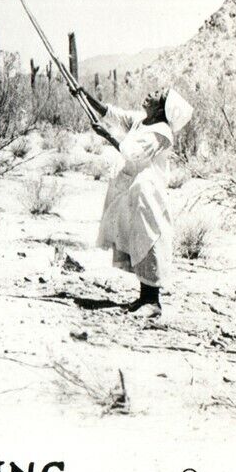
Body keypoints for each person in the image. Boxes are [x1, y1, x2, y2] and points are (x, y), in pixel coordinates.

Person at [72, 82, 194, 320]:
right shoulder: (142, 121)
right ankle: (144, 297)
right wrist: (85, 94)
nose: (149, 93)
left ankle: (153, 302)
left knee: (150, 240)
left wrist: (107, 135)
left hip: (149, 192)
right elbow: (113, 114)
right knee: (138, 241)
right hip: (134, 190)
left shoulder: (161, 132)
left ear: (162, 109)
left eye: (156, 94)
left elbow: (134, 153)